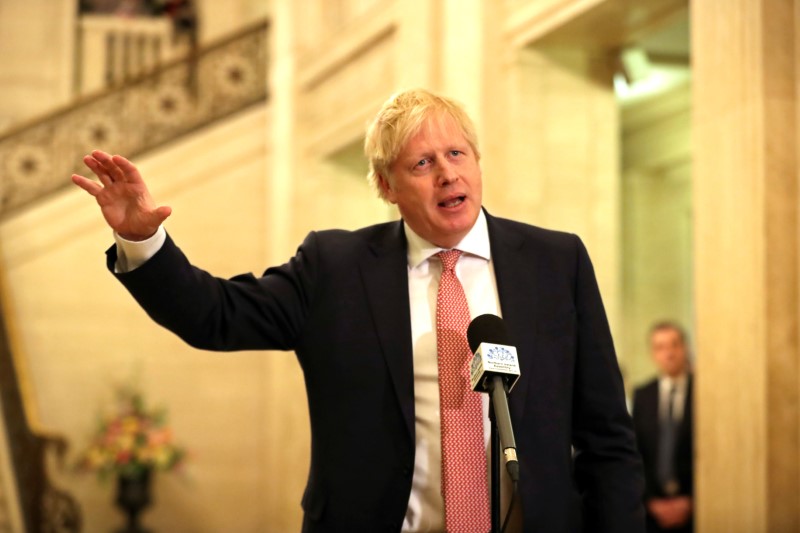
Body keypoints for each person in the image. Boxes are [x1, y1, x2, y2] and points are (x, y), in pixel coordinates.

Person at [72, 89, 645, 532]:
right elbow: (215, 315)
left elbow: (607, 436)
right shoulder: (335, 267)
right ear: (385, 185)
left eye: (456, 154)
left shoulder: (555, 261)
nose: (448, 173)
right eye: (422, 164)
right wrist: (144, 244)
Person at [632, 322, 694, 532]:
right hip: (652, 510)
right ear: (653, 354)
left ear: (685, 347)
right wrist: (650, 500)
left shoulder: (703, 391)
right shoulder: (643, 395)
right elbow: (637, 452)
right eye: (660, 347)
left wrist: (691, 499)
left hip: (696, 507)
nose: (668, 353)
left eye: (674, 345)